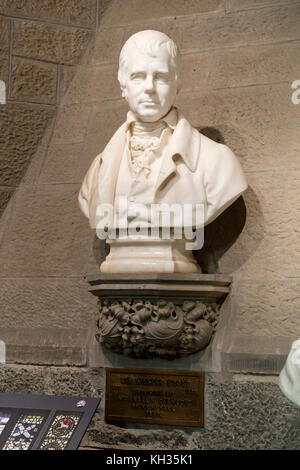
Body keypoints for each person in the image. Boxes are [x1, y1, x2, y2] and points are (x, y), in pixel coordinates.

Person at [78, 30, 247, 273]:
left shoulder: (217, 162)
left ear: (177, 83)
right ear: (122, 83)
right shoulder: (98, 170)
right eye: (138, 76)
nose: (149, 88)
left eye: (160, 77)